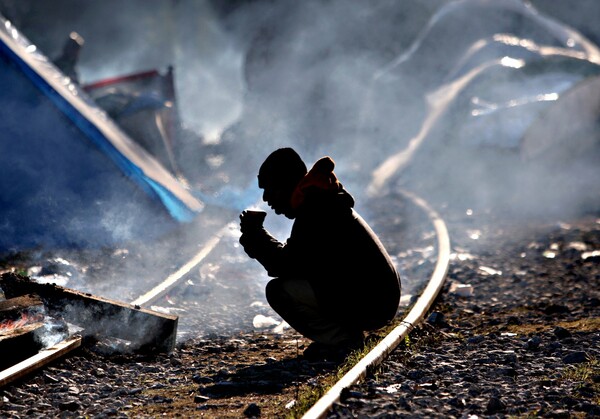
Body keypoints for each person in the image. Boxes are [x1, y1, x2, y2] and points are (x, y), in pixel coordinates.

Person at [239, 148, 401, 360]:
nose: (266, 198)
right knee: (292, 283)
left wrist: (257, 236)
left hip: (372, 303)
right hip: (376, 298)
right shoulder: (320, 202)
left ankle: (343, 340)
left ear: (287, 184)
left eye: (270, 189)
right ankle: (345, 337)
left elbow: (285, 266)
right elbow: (296, 261)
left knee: (279, 291)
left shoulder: (317, 210)